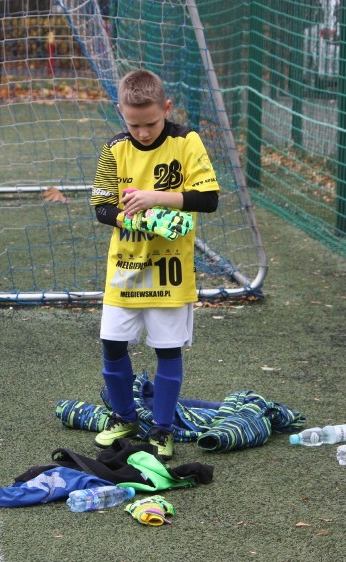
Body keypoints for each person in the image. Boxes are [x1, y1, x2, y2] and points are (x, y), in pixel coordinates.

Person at [89, 69, 220, 461]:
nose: (143, 133)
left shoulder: (186, 142)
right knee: (112, 345)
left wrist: (156, 199)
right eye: (134, 125)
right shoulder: (113, 149)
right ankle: (125, 416)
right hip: (126, 269)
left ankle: (162, 429)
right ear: (120, 112)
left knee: (167, 350)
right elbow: (101, 207)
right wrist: (136, 218)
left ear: (166, 108)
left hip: (170, 271)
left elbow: (208, 198)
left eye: (150, 123)